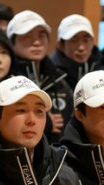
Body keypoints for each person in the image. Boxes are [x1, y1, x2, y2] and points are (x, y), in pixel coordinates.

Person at [6, 10, 71, 143]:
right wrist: (45, 123)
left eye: (41, 35)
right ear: (12, 43)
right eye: (27, 36)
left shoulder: (59, 79)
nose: (36, 42)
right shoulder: (5, 81)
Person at [50, 14, 102, 91]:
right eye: (74, 41)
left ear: (92, 42)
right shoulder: (49, 73)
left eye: (86, 40)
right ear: (60, 45)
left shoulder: (102, 68)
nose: (81, 48)